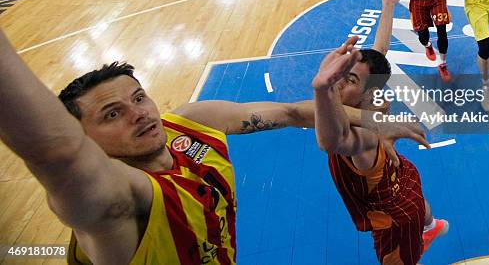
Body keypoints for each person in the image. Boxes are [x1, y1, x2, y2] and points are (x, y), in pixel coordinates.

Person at [0, 28, 424, 264]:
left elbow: (295, 113)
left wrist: (380, 120)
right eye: (111, 114)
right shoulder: (118, 200)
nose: (139, 113)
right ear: (85, 139)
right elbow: (57, 154)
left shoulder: (188, 122)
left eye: (138, 98)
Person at [313, 0, 449, 265]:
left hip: (394, 220)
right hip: (404, 175)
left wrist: (320, 88)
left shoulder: (358, 136)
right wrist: (387, 6)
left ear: (367, 93)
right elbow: (380, 52)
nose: (337, 79)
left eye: (348, 79)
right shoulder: (364, 94)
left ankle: (423, 231)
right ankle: (431, 225)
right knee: (416, 198)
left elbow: (332, 140)